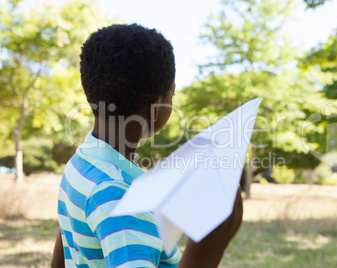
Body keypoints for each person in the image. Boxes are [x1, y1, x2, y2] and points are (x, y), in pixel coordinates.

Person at [51, 23, 243, 268]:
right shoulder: (125, 202)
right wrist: (207, 248)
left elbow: (67, 244)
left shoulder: (82, 163)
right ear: (156, 108)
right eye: (172, 95)